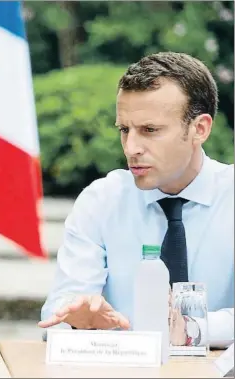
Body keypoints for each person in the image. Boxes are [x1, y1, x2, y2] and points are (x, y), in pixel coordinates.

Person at [38, 52, 234, 349]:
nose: (131, 148)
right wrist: (78, 320)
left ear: (200, 129)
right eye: (124, 130)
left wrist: (194, 329)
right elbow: (61, 311)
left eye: (150, 130)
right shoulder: (101, 201)